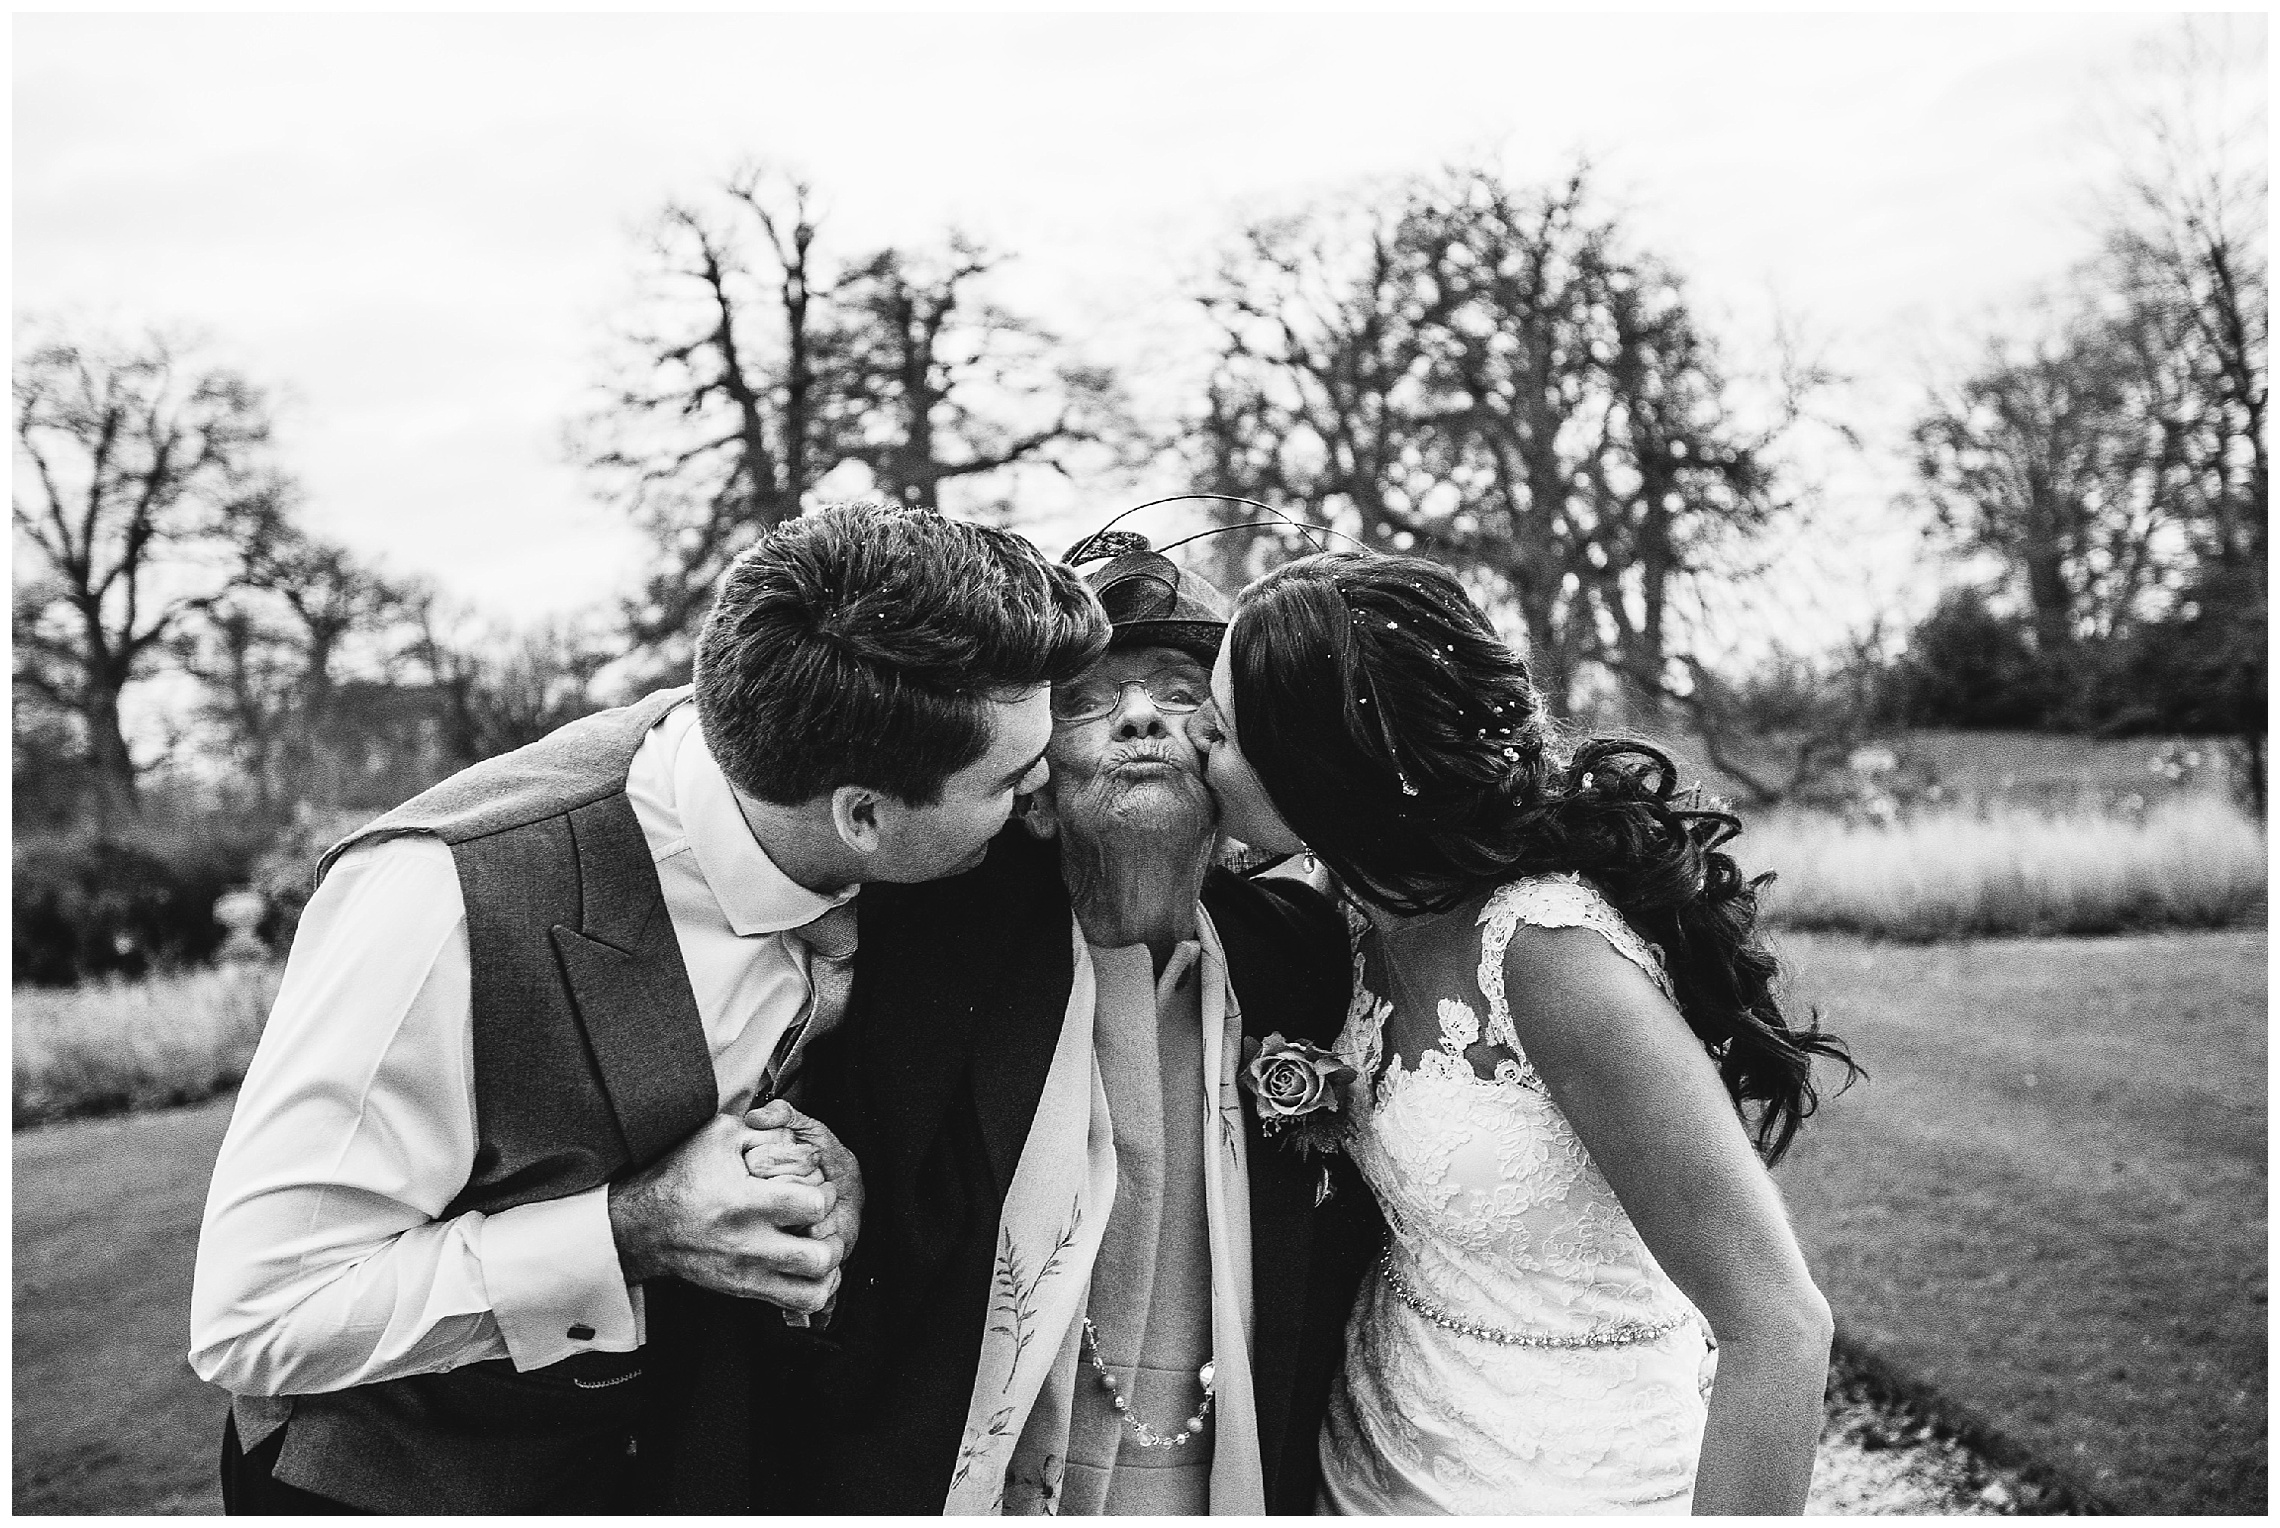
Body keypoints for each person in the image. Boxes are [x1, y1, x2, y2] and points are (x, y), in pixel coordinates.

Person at [187, 503, 1108, 1514]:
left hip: (668, 1464)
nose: (1037, 804)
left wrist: (824, 1169)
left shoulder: (828, 752)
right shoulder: (440, 901)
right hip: (398, 1485)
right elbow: (256, 1315)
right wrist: (633, 1230)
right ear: (863, 816)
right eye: (1010, 784)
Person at [1192, 550, 1860, 1515]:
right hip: (1371, 1457)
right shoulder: (1351, 908)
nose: (1193, 751)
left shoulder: (1551, 961)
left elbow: (1780, 1326)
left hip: (1570, 1481)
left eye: (1218, 732)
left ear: (1313, 769)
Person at [788, 529, 1382, 1514]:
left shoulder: (1307, 959)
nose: (1140, 714)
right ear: (1030, 775)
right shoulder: (921, 964)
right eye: (1088, 697)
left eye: (1180, 687)